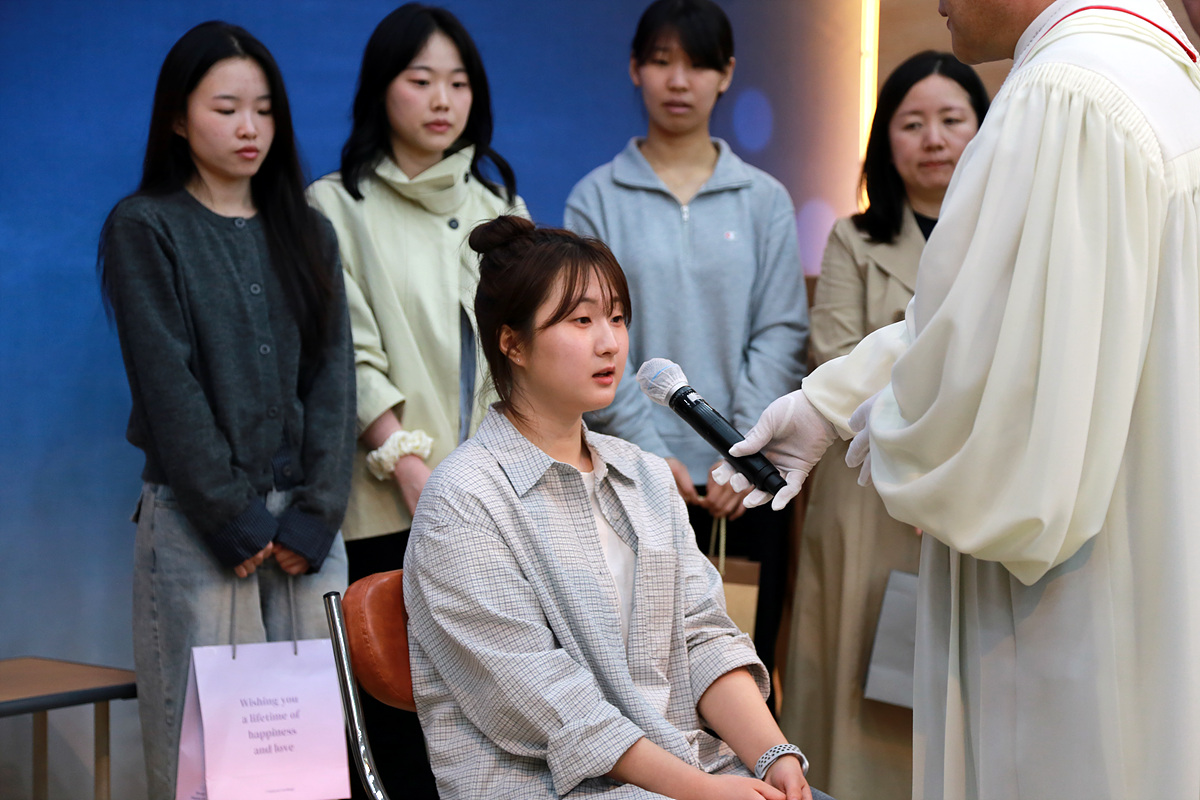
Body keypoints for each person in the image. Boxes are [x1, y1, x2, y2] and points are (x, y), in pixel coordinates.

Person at [716, 0, 1200, 797]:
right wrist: (827, 404)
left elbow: (1010, 429)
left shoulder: (1064, 93)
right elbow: (989, 312)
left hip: (1068, 607)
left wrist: (896, 432)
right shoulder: (1158, 73)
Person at [404, 216, 829, 800]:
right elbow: (550, 704)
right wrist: (703, 793)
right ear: (512, 343)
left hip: (692, 773)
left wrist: (772, 755)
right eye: (581, 320)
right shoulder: (463, 500)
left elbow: (702, 636)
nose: (610, 342)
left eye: (618, 317)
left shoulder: (644, 474)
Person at [98, 21, 354, 797]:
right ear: (178, 118)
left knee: (304, 768)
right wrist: (229, 514)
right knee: (208, 768)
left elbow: (334, 378)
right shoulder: (146, 226)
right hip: (201, 527)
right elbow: (166, 384)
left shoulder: (308, 230)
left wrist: (318, 512)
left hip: (305, 531)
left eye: (265, 110)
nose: (250, 128)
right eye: (226, 108)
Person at [307, 4, 526, 796]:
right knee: (396, 735)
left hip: (495, 507)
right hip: (389, 505)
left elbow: (527, 358)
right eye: (421, 79)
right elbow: (346, 350)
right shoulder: (335, 205)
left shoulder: (501, 209)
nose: (442, 99)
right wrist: (406, 463)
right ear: (381, 89)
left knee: (494, 727)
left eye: (459, 83)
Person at [564, 0, 808, 707]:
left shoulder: (764, 199)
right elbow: (587, 338)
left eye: (698, 64)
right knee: (635, 685)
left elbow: (780, 331)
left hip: (746, 478)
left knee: (739, 680)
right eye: (662, 61)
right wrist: (646, 456)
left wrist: (737, 449)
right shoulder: (596, 199)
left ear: (726, 74)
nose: (679, 80)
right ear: (634, 69)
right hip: (626, 476)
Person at [780, 51, 988, 800]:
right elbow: (835, 355)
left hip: (975, 482)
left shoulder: (1008, 232)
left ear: (987, 130)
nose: (933, 138)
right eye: (912, 122)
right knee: (851, 679)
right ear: (884, 141)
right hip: (865, 492)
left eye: (952, 119)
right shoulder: (854, 239)